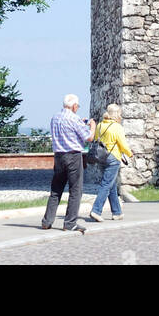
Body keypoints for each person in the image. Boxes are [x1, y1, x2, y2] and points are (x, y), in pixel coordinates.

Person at [41, 94, 96, 234]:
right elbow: (89, 137)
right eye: (77, 106)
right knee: (76, 190)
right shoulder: (74, 118)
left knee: (56, 189)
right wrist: (92, 126)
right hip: (73, 156)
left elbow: (68, 130)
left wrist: (81, 122)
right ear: (74, 106)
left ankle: (47, 221)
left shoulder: (55, 117)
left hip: (58, 156)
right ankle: (70, 223)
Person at [89, 103, 132, 221]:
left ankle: (117, 212)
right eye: (120, 114)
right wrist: (130, 154)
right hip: (113, 158)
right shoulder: (117, 127)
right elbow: (122, 144)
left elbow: (97, 139)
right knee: (106, 184)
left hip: (101, 157)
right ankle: (96, 210)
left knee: (111, 185)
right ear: (116, 115)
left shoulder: (100, 125)